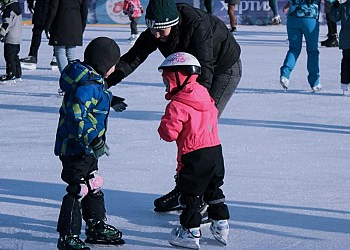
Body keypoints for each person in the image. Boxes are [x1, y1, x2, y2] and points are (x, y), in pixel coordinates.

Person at [105, 0, 241, 213]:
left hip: (223, 69)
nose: (157, 36)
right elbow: (133, 58)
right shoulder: (157, 29)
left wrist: (187, 102)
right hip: (194, 75)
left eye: (161, 31)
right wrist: (104, 83)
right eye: (152, 30)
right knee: (186, 136)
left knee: (200, 132)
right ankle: (185, 189)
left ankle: (203, 199)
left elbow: (205, 70)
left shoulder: (197, 26)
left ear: (174, 23)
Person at [54, 37, 125, 250]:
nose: (114, 69)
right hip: (75, 148)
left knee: (93, 182)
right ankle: (67, 236)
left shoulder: (92, 82)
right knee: (79, 188)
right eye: (113, 65)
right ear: (105, 64)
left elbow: (95, 95)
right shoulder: (87, 85)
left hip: (86, 148)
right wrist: (94, 139)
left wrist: (111, 100)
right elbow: (78, 115)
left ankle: (95, 225)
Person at [157, 52, 230, 249]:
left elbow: (169, 134)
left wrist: (163, 124)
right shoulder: (205, 95)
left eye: (167, 80)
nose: (166, 84)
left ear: (179, 76)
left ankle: (189, 232)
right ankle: (221, 224)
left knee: (192, 196)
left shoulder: (177, 104)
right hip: (215, 153)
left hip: (194, 155)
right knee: (213, 189)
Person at [280, 0, 321, 92]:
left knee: (294, 49)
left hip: (293, 18)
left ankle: (285, 74)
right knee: (312, 51)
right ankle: (315, 82)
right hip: (310, 18)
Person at [45, 0, 88, 73]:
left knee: (60, 51)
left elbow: (53, 8)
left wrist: (48, 26)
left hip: (60, 24)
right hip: (75, 24)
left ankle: (66, 76)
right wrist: (81, 28)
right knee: (71, 52)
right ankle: (73, 75)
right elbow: (84, 12)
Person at [0, 0, 22, 83]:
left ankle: (11, 74)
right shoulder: (17, 8)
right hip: (18, 38)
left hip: (10, 38)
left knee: (9, 57)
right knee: (15, 56)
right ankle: (17, 74)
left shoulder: (8, 11)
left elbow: (6, 25)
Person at [20, 0, 57, 70]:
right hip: (42, 8)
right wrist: (30, 3)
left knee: (53, 32)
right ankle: (33, 56)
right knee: (38, 32)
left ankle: (56, 56)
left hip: (50, 9)